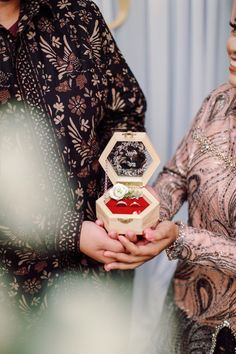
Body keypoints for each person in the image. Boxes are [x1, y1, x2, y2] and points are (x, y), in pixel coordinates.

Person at [0, 0, 146, 329]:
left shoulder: (77, 14)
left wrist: (124, 198)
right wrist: (71, 233)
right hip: (14, 303)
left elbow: (125, 109)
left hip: (100, 280)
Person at [103, 1, 236, 352]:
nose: (232, 45)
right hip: (186, 308)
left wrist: (178, 237)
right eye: (234, 28)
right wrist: (140, 218)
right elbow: (177, 175)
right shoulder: (218, 101)